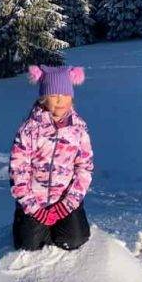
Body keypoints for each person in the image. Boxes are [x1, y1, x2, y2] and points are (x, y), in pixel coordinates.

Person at [9, 64, 93, 251]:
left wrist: (68, 203)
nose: (60, 101)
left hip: (65, 201)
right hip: (35, 201)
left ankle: (61, 223)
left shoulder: (78, 129)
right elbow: (18, 170)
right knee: (28, 245)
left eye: (65, 95)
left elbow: (84, 168)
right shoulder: (29, 129)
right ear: (44, 98)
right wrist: (33, 207)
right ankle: (29, 222)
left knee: (75, 239)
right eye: (54, 95)